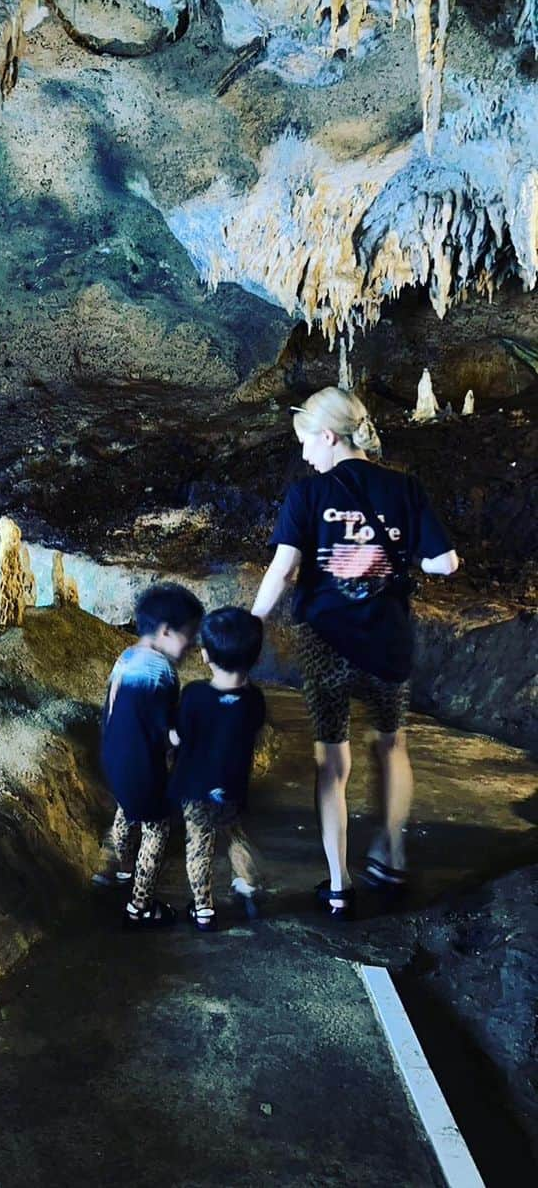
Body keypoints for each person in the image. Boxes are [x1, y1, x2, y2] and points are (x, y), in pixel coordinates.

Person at [251, 386, 458, 917]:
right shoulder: (405, 489)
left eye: (305, 442)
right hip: (387, 639)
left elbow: (283, 570)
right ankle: (391, 852)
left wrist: (251, 624)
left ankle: (339, 883)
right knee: (391, 744)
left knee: (332, 761)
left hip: (326, 643)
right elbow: (444, 564)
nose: (303, 455)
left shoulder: (308, 494)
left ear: (327, 436)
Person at [96, 582, 204, 929]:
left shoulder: (126, 657)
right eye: (189, 636)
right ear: (167, 631)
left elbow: (111, 709)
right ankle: (140, 906)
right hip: (143, 765)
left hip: (113, 758)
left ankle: (124, 871)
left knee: (126, 811)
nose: (191, 645)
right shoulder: (162, 672)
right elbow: (167, 733)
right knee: (157, 828)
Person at [170, 607, 265, 932]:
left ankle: (204, 909)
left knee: (199, 844)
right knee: (234, 833)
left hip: (195, 790)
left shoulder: (194, 695)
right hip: (233, 789)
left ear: (206, 655)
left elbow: (180, 735)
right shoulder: (255, 699)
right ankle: (248, 881)